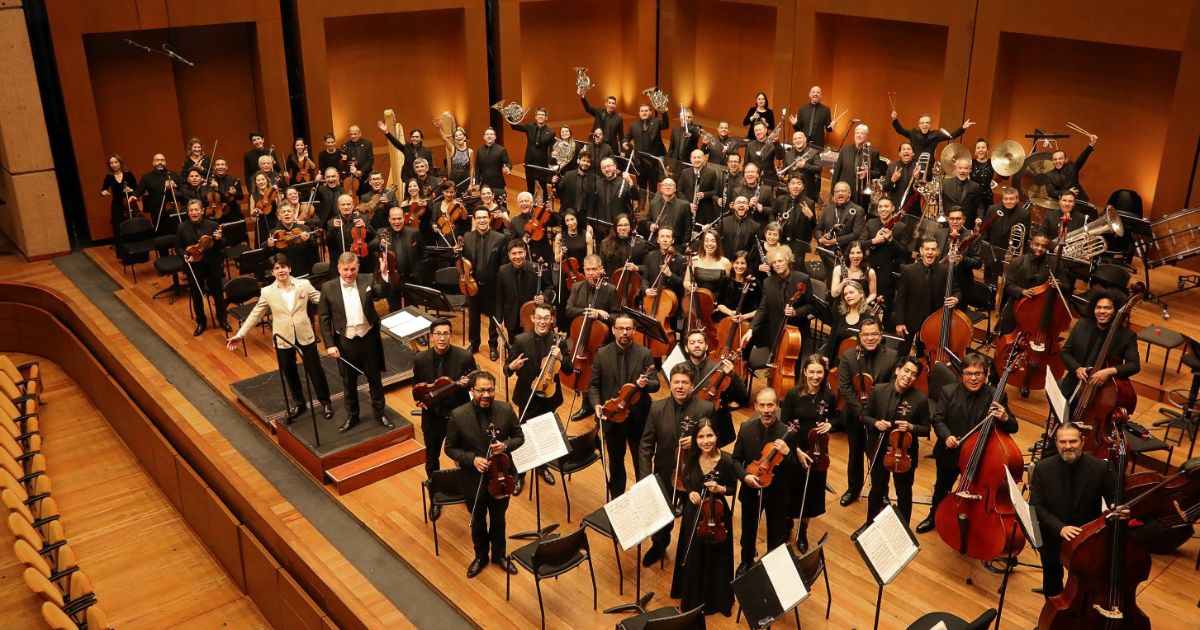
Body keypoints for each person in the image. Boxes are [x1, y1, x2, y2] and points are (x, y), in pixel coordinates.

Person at [916, 353, 1018, 533]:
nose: (973, 378)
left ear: (985, 375)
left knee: (975, 494)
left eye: (978, 374)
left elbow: (1013, 427)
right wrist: (946, 436)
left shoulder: (997, 395)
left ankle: (972, 521)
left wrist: (1005, 417)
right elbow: (938, 419)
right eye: (968, 373)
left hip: (979, 458)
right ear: (961, 374)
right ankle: (934, 515)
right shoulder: (948, 391)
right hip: (950, 453)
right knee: (941, 487)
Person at [226, 253, 333, 421]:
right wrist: (240, 334)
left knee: (316, 370)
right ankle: (299, 404)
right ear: (272, 272)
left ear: (289, 268)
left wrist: (340, 304)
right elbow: (255, 314)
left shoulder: (303, 284)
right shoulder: (267, 292)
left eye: (283, 267)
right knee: (289, 373)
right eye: (277, 268)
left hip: (305, 334)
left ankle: (326, 402)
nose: (281, 270)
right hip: (283, 338)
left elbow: (321, 300)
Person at [445, 371, 523, 578]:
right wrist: (472, 459)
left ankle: (500, 555)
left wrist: (504, 445)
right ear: (472, 391)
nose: (486, 395)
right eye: (481, 390)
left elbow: (519, 437)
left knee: (499, 519)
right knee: (478, 520)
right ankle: (481, 556)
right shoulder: (459, 415)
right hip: (474, 480)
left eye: (489, 390)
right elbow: (450, 448)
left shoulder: (505, 410)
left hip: (502, 477)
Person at [1028, 422, 1121, 596]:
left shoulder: (1100, 467)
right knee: (1052, 578)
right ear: (1056, 443)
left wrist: (1117, 508)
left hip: (1085, 537)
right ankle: (1051, 615)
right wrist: (1060, 528)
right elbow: (1036, 505)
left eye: (1073, 441)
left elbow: (1113, 499)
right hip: (1052, 534)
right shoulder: (1042, 468)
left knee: (1083, 581)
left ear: (1082, 442)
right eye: (1063, 442)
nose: (1068, 446)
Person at [639, 364, 714, 566]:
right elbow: (646, 444)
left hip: (693, 475)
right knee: (661, 515)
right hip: (665, 472)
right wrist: (646, 478)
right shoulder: (656, 407)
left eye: (685, 383)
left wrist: (697, 444)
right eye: (676, 382)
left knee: (693, 517)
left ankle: (691, 553)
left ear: (692, 385)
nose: (680, 386)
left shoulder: (705, 408)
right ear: (670, 384)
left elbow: (715, 443)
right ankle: (659, 546)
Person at [670, 418, 741, 617]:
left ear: (717, 436)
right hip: (695, 513)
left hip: (717, 514)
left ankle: (716, 599)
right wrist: (691, 492)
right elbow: (685, 477)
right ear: (695, 439)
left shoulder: (727, 461)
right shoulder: (692, 457)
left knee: (716, 556)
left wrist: (720, 489)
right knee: (693, 553)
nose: (705, 441)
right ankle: (692, 597)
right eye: (700, 437)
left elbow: (733, 487)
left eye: (709, 435)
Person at [318, 252, 392, 433]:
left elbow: (382, 293)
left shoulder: (367, 279)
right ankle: (352, 416)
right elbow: (324, 318)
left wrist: (383, 275)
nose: (349, 273)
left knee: (374, 378)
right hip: (345, 341)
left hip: (368, 337)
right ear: (338, 269)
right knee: (348, 382)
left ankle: (380, 412)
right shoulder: (328, 288)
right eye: (345, 270)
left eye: (352, 269)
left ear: (357, 268)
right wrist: (329, 345)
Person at [588, 313, 659, 498]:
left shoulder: (644, 353)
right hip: (612, 417)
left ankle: (644, 498)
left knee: (641, 462)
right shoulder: (602, 353)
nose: (624, 332)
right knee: (616, 462)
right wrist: (596, 405)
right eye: (620, 328)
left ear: (634, 330)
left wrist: (646, 385)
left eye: (628, 329)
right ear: (613, 330)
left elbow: (656, 383)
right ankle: (617, 501)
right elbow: (594, 386)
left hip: (638, 418)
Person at [862, 356, 931, 525]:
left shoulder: (920, 399)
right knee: (877, 490)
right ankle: (869, 524)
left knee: (904, 493)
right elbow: (864, 416)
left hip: (904, 454)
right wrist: (876, 423)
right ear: (897, 370)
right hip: (879, 449)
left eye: (913, 374)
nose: (908, 376)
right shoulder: (878, 390)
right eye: (906, 371)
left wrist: (911, 428)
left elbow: (926, 429)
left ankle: (904, 530)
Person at [836, 317, 896, 506]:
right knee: (855, 453)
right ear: (860, 336)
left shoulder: (892, 356)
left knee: (878, 456)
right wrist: (861, 413)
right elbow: (845, 387)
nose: (870, 338)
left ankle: (881, 491)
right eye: (866, 335)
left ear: (881, 335)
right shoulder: (848, 356)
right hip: (855, 415)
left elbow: (892, 388)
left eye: (874, 334)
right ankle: (853, 489)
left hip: (880, 416)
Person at [779, 356, 837, 552]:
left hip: (818, 451)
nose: (815, 376)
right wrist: (795, 450)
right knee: (790, 488)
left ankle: (803, 530)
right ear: (804, 372)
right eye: (811, 372)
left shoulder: (828, 396)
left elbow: (837, 418)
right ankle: (787, 523)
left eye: (819, 372)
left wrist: (831, 424)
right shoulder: (794, 394)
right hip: (794, 448)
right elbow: (783, 423)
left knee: (812, 491)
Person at [733, 387, 793, 573]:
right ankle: (746, 561)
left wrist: (788, 453)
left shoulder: (787, 432)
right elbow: (735, 460)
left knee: (776, 534)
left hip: (777, 493)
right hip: (751, 489)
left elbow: (795, 469)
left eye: (770, 405)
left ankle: (772, 568)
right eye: (762, 405)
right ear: (756, 407)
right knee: (748, 532)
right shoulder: (745, 428)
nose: (766, 410)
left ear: (777, 406)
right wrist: (745, 476)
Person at [412, 319, 477, 486]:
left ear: (450, 337)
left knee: (464, 456)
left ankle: (467, 487)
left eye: (446, 334)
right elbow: (417, 385)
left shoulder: (465, 357)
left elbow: (474, 381)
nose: (442, 338)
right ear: (431, 337)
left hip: (458, 416)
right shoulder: (420, 359)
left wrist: (467, 384)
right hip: (433, 417)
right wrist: (419, 400)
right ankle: (435, 491)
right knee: (432, 459)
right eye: (438, 334)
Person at [1058, 289, 1140, 404]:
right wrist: (1077, 368)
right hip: (1073, 385)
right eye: (1098, 307)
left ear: (1116, 311)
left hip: (1102, 394)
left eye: (1107, 308)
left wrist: (1108, 372)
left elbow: (1134, 365)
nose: (1101, 311)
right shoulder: (1082, 325)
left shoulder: (1127, 336)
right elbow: (1065, 352)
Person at [742, 246, 815, 353]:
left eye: (780, 261)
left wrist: (795, 312)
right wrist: (751, 330)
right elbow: (762, 308)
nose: (777, 264)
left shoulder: (803, 279)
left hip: (796, 332)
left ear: (788, 260)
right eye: (774, 262)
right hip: (775, 331)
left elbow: (811, 306)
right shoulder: (768, 282)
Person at [680, 330, 746, 447]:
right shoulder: (680, 370)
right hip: (689, 423)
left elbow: (742, 396)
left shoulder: (721, 369)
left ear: (706, 347)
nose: (696, 345)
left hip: (715, 426)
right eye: (692, 342)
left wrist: (733, 376)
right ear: (686, 348)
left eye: (700, 342)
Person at [893, 237, 959, 356]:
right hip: (910, 321)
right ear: (921, 251)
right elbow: (900, 299)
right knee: (901, 354)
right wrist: (899, 322)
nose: (930, 252)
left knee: (924, 356)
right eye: (927, 249)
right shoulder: (908, 270)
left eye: (933, 249)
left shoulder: (945, 271)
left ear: (938, 252)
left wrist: (956, 298)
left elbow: (957, 291)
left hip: (932, 322)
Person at [457, 207, 506, 359]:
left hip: (493, 285)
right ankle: (474, 343)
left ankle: (493, 345)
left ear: (489, 218)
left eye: (484, 217)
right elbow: (463, 262)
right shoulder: (467, 236)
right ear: (475, 220)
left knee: (494, 318)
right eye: (479, 218)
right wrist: (458, 253)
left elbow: (503, 264)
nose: (482, 220)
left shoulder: (500, 238)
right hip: (472, 284)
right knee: (473, 316)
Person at [176, 200, 229, 335]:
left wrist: (218, 239)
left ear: (202, 211)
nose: (194, 212)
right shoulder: (182, 227)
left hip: (212, 265)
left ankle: (222, 319)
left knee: (217, 294)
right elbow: (178, 247)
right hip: (194, 266)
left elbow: (221, 245)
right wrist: (185, 255)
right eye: (191, 210)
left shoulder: (213, 225)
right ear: (188, 212)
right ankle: (201, 322)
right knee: (197, 295)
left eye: (196, 210)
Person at [997, 231, 1061, 334]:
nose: (1040, 249)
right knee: (1007, 333)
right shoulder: (1017, 261)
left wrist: (1059, 285)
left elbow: (1066, 286)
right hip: (1016, 306)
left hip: (1039, 313)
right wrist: (1022, 291)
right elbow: (1008, 285)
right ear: (1031, 244)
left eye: (1044, 246)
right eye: (1037, 244)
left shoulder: (1054, 265)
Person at [494, 239, 552, 341]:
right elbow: (499, 297)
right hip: (511, 319)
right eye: (514, 253)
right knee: (514, 350)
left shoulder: (536, 268)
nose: (517, 257)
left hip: (532, 318)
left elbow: (549, 288)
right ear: (509, 255)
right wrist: (499, 320)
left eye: (520, 252)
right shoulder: (502, 271)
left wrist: (544, 297)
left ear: (525, 252)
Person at [864, 197, 913, 310]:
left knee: (884, 309)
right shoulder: (870, 223)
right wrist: (874, 241)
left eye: (886, 206)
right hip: (869, 271)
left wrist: (891, 240)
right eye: (880, 206)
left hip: (888, 276)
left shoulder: (902, 227)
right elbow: (860, 243)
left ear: (893, 208)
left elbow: (904, 252)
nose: (883, 209)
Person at [815, 182, 867, 276]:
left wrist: (835, 241)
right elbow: (818, 228)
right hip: (827, 253)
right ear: (834, 195)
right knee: (829, 280)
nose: (840, 193)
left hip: (847, 254)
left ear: (849, 194)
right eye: (837, 191)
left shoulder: (858, 210)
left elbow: (856, 234)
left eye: (843, 191)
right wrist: (820, 239)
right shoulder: (827, 209)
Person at [830, 124, 884, 208]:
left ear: (866, 136)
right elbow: (836, 172)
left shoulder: (873, 152)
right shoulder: (845, 150)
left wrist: (867, 173)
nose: (859, 135)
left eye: (862, 133)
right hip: (843, 191)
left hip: (861, 194)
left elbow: (878, 172)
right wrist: (833, 192)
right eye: (857, 133)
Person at [889, 110, 974, 160]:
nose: (925, 125)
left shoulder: (936, 134)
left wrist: (963, 128)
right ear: (919, 125)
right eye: (922, 123)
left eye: (927, 123)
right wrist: (894, 119)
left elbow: (951, 136)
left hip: (928, 167)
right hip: (914, 166)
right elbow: (900, 130)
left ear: (930, 125)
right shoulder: (913, 133)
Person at [623, 102, 670, 192]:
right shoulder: (634, 125)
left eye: (646, 111)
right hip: (639, 163)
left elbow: (666, 125)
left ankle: (652, 205)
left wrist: (664, 111)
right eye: (642, 111)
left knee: (653, 188)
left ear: (650, 112)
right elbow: (627, 137)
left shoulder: (656, 122)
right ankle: (642, 204)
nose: (644, 112)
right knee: (641, 187)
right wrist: (625, 142)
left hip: (653, 162)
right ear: (639, 113)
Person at [264, 202, 318, 277]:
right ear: (279, 217)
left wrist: (309, 240)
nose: (287, 214)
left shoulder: (304, 228)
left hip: (304, 269)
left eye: (289, 211)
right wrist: (269, 246)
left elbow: (314, 249)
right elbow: (269, 256)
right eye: (283, 212)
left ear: (294, 214)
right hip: (284, 272)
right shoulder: (274, 233)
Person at [326, 194, 377, 271]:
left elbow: (373, 237)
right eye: (343, 205)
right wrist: (334, 229)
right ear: (338, 206)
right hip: (341, 263)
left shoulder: (363, 218)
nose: (346, 207)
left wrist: (365, 226)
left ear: (353, 205)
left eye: (348, 204)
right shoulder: (331, 222)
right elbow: (329, 244)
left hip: (361, 262)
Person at [826, 280, 871, 365]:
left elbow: (880, 339)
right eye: (845, 294)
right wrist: (826, 355)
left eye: (851, 292)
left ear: (861, 294)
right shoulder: (841, 313)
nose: (848, 296)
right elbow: (833, 334)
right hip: (837, 359)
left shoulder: (869, 316)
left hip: (859, 362)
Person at [133, 153, 180, 234]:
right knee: (160, 233)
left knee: (175, 231)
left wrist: (175, 185)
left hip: (173, 210)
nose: (160, 162)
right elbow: (139, 190)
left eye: (162, 160)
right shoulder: (147, 177)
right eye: (157, 160)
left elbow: (182, 187)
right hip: (156, 211)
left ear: (165, 162)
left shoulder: (173, 174)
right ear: (153, 163)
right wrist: (134, 196)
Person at [509, 108, 554, 194]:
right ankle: (531, 206)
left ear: (546, 118)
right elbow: (514, 126)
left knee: (543, 186)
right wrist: (510, 115)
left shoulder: (551, 132)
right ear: (536, 117)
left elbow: (552, 150)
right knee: (530, 186)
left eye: (542, 115)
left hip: (542, 163)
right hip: (529, 161)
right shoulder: (529, 127)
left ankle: (543, 206)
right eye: (538, 115)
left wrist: (551, 164)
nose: (540, 116)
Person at [593, 156, 638, 241]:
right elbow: (592, 206)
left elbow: (635, 197)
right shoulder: (597, 184)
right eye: (603, 167)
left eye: (609, 166)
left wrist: (630, 181)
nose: (606, 169)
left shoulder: (624, 183)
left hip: (620, 228)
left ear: (615, 166)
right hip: (601, 229)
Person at [1046, 134, 1098, 202]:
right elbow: (1051, 192)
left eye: (1060, 159)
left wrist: (1091, 144)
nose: (1057, 161)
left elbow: (1082, 158)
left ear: (1066, 160)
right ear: (1052, 161)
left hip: (1079, 201)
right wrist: (1066, 192)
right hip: (1062, 203)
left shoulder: (1072, 166)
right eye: (1055, 159)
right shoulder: (1048, 175)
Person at [554, 151, 598, 225]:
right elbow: (559, 192)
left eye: (588, 161)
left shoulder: (596, 179)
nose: (585, 163)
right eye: (583, 160)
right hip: (568, 215)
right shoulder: (568, 175)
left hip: (585, 218)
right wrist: (555, 183)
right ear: (578, 161)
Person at [100, 153, 138, 234]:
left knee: (133, 224)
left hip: (130, 203)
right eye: (111, 163)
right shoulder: (109, 176)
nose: (114, 165)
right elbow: (103, 189)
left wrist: (130, 190)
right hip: (116, 205)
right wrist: (104, 192)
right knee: (117, 226)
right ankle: (120, 245)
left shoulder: (128, 174)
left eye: (116, 162)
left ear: (120, 162)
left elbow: (136, 188)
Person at [644, 179, 688, 247]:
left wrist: (684, 246)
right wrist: (650, 225)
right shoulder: (654, 203)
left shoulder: (684, 205)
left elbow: (688, 228)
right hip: (656, 244)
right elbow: (647, 220)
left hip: (676, 245)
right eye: (665, 185)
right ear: (661, 189)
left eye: (671, 185)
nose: (668, 187)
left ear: (675, 189)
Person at [793, 86, 835, 154]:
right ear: (809, 94)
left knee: (816, 164)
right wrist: (795, 124)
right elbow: (798, 129)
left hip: (818, 145)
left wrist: (832, 127)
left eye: (818, 92)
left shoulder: (826, 110)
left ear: (821, 95)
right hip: (803, 143)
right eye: (813, 92)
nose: (815, 94)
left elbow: (828, 129)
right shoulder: (802, 109)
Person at [881, 142, 921, 214]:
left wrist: (918, 178)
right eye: (903, 149)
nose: (906, 151)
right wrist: (892, 180)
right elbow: (885, 189)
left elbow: (923, 190)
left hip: (914, 207)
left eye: (909, 149)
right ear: (899, 153)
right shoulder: (892, 166)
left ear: (913, 153)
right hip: (896, 206)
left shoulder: (919, 167)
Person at [942, 158, 984, 225]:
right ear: (956, 169)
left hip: (967, 223)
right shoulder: (945, 183)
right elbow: (937, 199)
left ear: (970, 170)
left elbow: (979, 206)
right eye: (960, 168)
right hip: (948, 222)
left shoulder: (975, 186)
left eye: (965, 168)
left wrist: (979, 217)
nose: (962, 171)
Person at [473, 127, 511, 192]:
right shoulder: (479, 150)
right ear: (484, 137)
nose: (489, 136)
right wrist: (477, 182)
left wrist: (507, 168)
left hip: (498, 184)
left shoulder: (501, 150)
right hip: (484, 184)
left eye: (491, 134)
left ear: (495, 137)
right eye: (487, 134)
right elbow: (477, 168)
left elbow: (508, 163)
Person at [341, 125, 374, 195]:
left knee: (367, 196)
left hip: (366, 176)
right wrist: (345, 162)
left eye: (355, 134)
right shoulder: (345, 146)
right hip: (352, 178)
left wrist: (361, 171)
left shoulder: (367, 143)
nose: (353, 136)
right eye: (351, 134)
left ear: (359, 134)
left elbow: (370, 160)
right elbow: (344, 163)